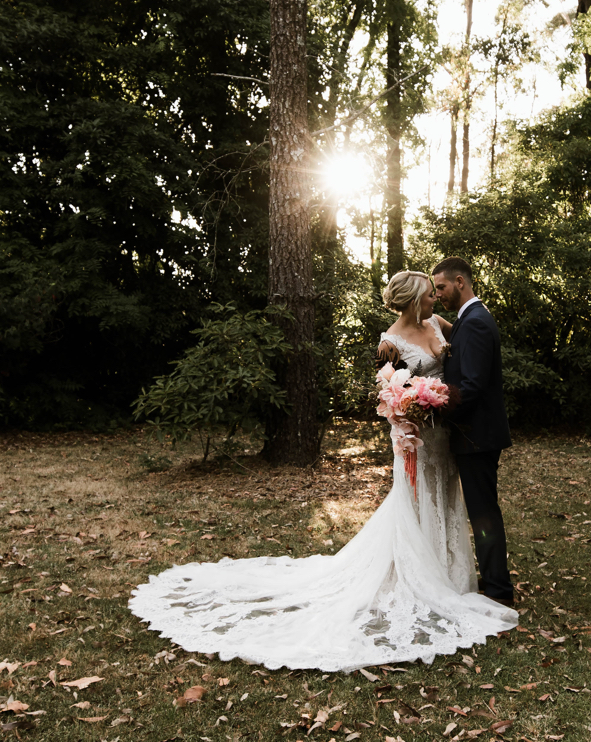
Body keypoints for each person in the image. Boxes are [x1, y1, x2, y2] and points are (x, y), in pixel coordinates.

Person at [127, 270, 517, 673]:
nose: (436, 300)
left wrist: (440, 395)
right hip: (415, 434)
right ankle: (416, 574)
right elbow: (388, 390)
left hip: (445, 433)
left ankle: (449, 572)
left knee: (445, 497)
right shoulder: (389, 342)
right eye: (430, 295)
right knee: (417, 497)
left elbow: (463, 351)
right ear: (414, 299)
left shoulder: (438, 323)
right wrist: (406, 409)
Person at [431, 256, 515, 607]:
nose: (437, 295)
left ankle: (497, 591)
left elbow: (473, 386)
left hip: (476, 435)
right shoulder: (468, 320)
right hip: (473, 435)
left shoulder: (477, 322)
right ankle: (493, 580)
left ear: (460, 281)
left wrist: (432, 408)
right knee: (482, 511)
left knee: (483, 512)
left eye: (441, 287)